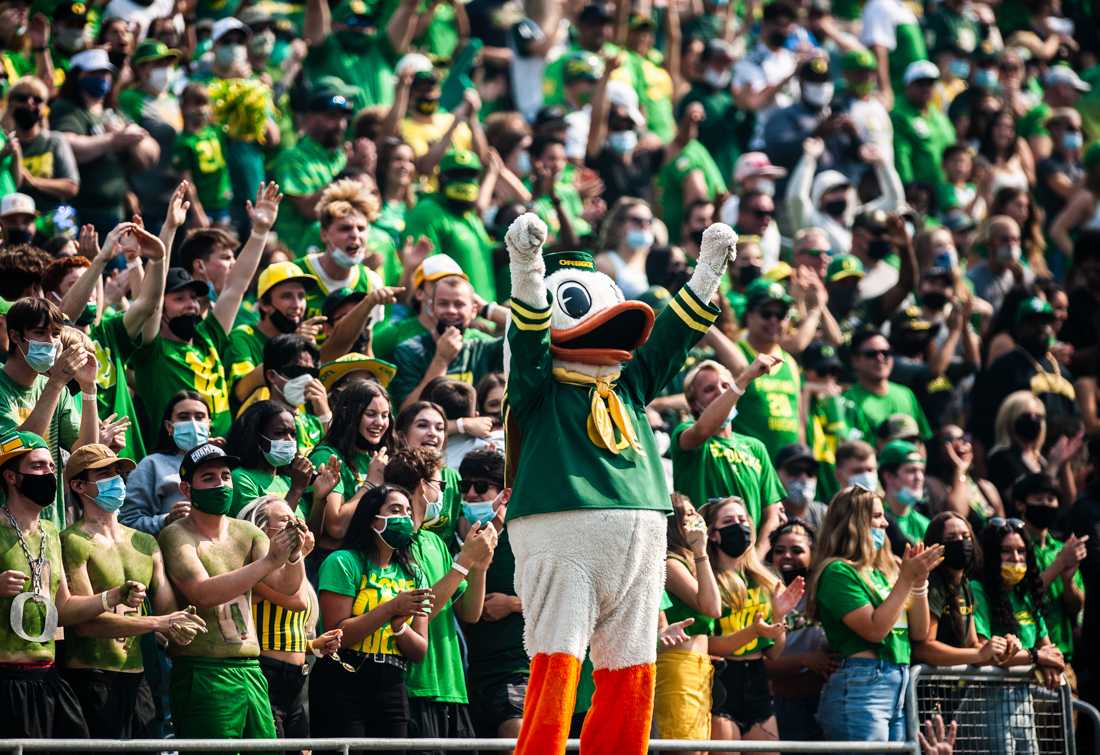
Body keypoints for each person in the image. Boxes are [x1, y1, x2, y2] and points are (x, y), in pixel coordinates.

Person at [0, 431, 147, 741]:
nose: (49, 474)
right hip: (5, 678)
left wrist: (112, 596)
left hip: (48, 677)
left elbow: (64, 608)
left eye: (52, 467)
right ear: (11, 477)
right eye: (38, 467)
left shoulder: (52, 532)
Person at [157, 441, 305, 743]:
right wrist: (269, 561)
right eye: (208, 478)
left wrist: (294, 555)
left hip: (251, 667)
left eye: (225, 476)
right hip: (203, 669)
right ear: (187, 489)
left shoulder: (246, 532)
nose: (221, 484)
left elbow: (287, 587)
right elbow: (203, 593)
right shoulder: (176, 535)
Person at [60, 443, 207, 738]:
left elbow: (168, 612)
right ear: (78, 485)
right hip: (91, 675)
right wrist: (159, 623)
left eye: (118, 472)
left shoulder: (145, 542)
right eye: (105, 474)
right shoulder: (72, 541)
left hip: (140, 677)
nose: (117, 479)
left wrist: (180, 626)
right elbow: (86, 624)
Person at [130, 182, 281, 440]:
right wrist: (168, 230)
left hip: (224, 457)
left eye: (193, 297)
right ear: (162, 308)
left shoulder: (207, 336)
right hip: (176, 464)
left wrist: (259, 232)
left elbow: (236, 286)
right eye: (179, 298)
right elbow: (150, 298)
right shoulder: (151, 351)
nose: (190, 304)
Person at [383, 446, 497, 753]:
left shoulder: (434, 541)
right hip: (415, 688)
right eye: (440, 485)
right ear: (423, 486)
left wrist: (479, 567)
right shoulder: (392, 543)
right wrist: (463, 564)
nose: (444, 494)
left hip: (453, 688)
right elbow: (411, 613)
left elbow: (469, 613)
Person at [810, 486, 942, 741]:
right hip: (863, 687)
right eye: (877, 516)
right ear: (854, 521)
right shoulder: (838, 572)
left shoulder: (884, 571)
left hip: (898, 687)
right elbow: (874, 630)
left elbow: (919, 631)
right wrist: (905, 578)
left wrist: (919, 583)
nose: (885, 523)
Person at [311, 484, 432, 749]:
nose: (405, 518)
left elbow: (420, 650)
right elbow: (336, 636)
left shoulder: (414, 574)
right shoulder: (343, 562)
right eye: (395, 510)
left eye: (409, 512)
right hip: (344, 677)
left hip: (392, 681)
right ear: (371, 518)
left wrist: (400, 628)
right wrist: (389, 609)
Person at [237, 495, 342, 741]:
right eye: (286, 521)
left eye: (297, 520)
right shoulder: (254, 567)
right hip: (264, 671)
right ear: (261, 527)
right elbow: (297, 601)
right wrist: (299, 554)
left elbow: (290, 625)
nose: (296, 527)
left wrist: (314, 646)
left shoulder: (294, 570)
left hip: (297, 678)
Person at [705, 496, 804, 749]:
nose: (739, 526)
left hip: (758, 684)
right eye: (728, 521)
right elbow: (708, 644)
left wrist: (779, 617)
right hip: (722, 686)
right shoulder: (709, 582)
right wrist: (753, 631)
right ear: (713, 534)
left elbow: (774, 652)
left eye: (742, 520)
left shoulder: (764, 580)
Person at [0, 297, 100, 530]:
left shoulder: (58, 389)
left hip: (51, 523)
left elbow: (86, 452)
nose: (51, 342)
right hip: (6, 524)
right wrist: (56, 382)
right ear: (15, 336)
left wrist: (89, 389)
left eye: (56, 334)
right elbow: (19, 449)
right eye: (40, 333)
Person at [672, 357, 786, 558]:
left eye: (726, 385)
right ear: (695, 405)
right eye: (709, 389)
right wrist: (743, 380)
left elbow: (772, 513)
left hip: (750, 562)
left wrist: (755, 561)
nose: (721, 392)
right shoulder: (686, 435)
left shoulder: (755, 447)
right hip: (703, 561)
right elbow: (703, 429)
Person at [972, 519, 1067, 750]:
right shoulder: (977, 589)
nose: (1015, 558)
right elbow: (986, 653)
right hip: (987, 703)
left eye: (1021, 551)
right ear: (991, 554)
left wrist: (1047, 662)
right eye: (1006, 551)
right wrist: (1036, 658)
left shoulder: (1025, 595)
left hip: (1023, 703)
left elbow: (1051, 652)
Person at [50, 48, 160, 236]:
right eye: (95, 73)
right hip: (82, 213)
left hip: (115, 212)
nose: (102, 78)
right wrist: (114, 140)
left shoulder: (113, 112)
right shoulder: (67, 109)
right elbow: (69, 146)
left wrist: (132, 140)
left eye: (106, 73)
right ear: (78, 76)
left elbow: (151, 155)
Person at [457, 450, 525, 739]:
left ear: (505, 493)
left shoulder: (525, 538)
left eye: (482, 487)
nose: (471, 494)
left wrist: (512, 604)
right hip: (469, 675)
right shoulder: (459, 542)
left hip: (517, 667)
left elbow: (566, 597)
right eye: (465, 486)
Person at [970, 296, 1078, 452]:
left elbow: (1075, 419)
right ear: (1019, 327)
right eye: (1033, 322)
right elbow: (982, 420)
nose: (1041, 327)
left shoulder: (1063, 371)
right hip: (1017, 458)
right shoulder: (1004, 368)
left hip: (1062, 456)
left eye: (1046, 322)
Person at [656, 495, 721, 748]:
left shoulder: (690, 559)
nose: (697, 519)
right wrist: (701, 551)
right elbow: (712, 607)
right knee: (686, 748)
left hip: (697, 666)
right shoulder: (671, 562)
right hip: (677, 667)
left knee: (700, 747)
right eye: (688, 514)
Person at [389, 273, 503, 411]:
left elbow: (530, 330)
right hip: (435, 432)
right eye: (443, 303)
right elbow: (408, 414)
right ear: (431, 308)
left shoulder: (484, 348)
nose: (451, 310)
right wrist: (441, 360)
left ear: (474, 310)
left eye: (459, 304)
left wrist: (487, 309)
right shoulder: (409, 351)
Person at [912, 512, 1009, 666]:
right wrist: (979, 654)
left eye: (966, 537)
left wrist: (1002, 649)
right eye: (951, 538)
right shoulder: (933, 583)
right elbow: (925, 648)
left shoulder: (965, 584)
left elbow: (972, 644)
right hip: (929, 686)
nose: (960, 542)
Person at [307, 380, 393, 554]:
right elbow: (336, 527)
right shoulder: (328, 456)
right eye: (371, 414)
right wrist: (370, 484)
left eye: (385, 415)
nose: (380, 422)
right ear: (350, 415)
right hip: (332, 561)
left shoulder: (376, 458)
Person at [765, 520, 831, 743]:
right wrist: (805, 660)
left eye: (797, 550)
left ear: (814, 554)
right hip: (783, 702)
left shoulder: (824, 592)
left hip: (823, 699)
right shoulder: (763, 597)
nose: (787, 556)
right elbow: (762, 664)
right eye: (779, 550)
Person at [223, 260, 321, 407]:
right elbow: (241, 390)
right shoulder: (242, 337)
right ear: (264, 304)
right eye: (287, 296)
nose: (297, 305)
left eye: (301, 296)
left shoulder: (304, 341)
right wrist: (290, 346)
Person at [271, 85, 356, 254]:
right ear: (309, 119)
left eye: (344, 118)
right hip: (298, 254)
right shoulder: (292, 158)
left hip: (338, 255)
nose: (340, 125)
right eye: (331, 117)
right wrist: (347, 173)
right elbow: (310, 210)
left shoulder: (342, 157)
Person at [403, 149, 496, 302]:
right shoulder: (427, 213)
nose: (465, 181)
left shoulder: (469, 215)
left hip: (482, 318)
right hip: (453, 318)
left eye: (470, 175)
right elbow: (426, 277)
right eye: (457, 175)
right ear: (441, 179)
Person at [1015, 473, 1086, 669]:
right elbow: (1021, 595)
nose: (1046, 504)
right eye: (1038, 499)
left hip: (1062, 656)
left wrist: (1068, 581)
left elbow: (1075, 607)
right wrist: (1059, 564)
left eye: (1051, 499)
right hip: (1028, 656)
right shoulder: (1014, 548)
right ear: (1021, 504)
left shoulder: (1060, 549)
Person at [299, 179, 389, 321]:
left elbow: (367, 342)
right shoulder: (296, 273)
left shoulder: (372, 283)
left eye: (361, 228)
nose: (355, 235)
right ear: (324, 234)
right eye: (345, 228)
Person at [121, 391, 210, 535]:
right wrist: (166, 520)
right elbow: (127, 522)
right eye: (183, 417)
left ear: (209, 425)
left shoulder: (222, 464)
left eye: (199, 417)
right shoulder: (152, 465)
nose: (193, 423)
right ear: (169, 426)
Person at [7, 76, 80, 219]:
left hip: (50, 223)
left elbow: (71, 187)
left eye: (37, 100)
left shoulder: (55, 141)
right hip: (12, 224)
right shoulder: (4, 143)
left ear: (44, 107)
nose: (29, 103)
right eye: (21, 98)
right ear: (10, 103)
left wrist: (33, 182)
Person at [225, 400, 313, 517]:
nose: (289, 440)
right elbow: (266, 531)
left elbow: (309, 532)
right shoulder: (241, 478)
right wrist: (296, 490)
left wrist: (321, 499)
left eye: (293, 434)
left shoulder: (286, 480)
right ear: (257, 437)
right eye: (279, 433)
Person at [843, 329, 932, 442]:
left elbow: (922, 440)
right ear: (855, 360)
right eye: (871, 354)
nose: (880, 358)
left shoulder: (906, 393)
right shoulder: (848, 401)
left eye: (886, 353)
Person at [925, 424, 1004, 530]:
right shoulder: (931, 484)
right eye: (951, 439)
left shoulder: (985, 487)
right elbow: (957, 516)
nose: (962, 443)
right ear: (939, 448)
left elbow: (1003, 529)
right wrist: (960, 470)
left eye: (964, 438)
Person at [891, 61, 956, 190]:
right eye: (920, 83)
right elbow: (901, 155)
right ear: (908, 85)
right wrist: (908, 187)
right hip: (919, 192)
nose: (926, 88)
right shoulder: (899, 115)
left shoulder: (939, 116)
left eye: (931, 83)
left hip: (946, 189)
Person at [879, 439, 932, 546]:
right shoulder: (875, 520)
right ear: (888, 476)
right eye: (911, 471)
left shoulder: (925, 524)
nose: (919, 477)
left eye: (921, 471)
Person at [775, 443, 828, 531]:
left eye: (810, 471)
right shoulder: (768, 516)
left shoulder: (824, 515)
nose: (804, 478)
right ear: (776, 475)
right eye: (795, 470)